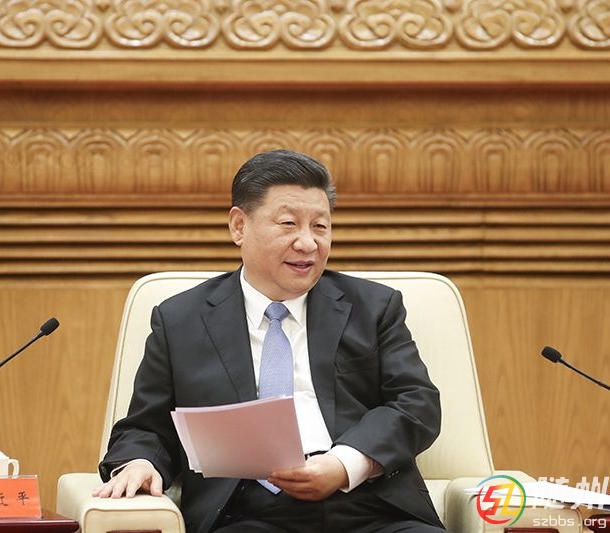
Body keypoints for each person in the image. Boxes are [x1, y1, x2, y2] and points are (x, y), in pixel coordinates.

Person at [93, 149, 446, 533]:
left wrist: (343, 464)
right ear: (239, 226)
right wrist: (141, 462)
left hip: (372, 508)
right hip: (247, 514)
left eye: (320, 226)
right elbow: (146, 428)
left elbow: (417, 403)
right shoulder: (180, 320)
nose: (308, 243)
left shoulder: (374, 307)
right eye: (289, 223)